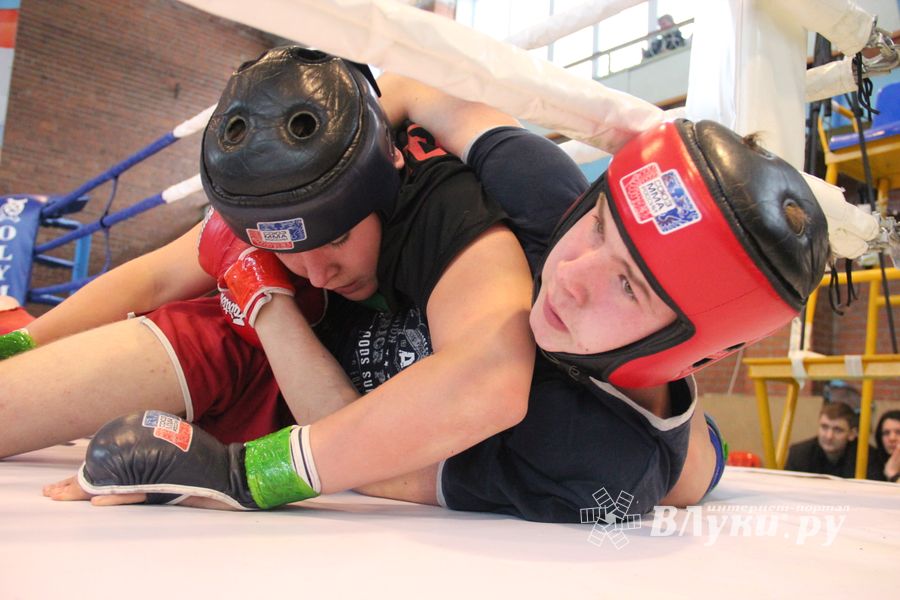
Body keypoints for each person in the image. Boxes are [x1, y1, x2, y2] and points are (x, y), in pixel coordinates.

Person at [45, 66, 830, 523]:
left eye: (628, 282)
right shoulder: (547, 197)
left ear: (696, 340)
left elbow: (364, 453)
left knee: (688, 474)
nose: (571, 273)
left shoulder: (595, 461)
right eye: (601, 227)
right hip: (310, 314)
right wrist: (334, 167)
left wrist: (239, 473)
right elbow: (416, 91)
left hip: (301, 369)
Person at [4, 47, 536, 508]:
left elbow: (472, 398)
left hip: (324, 420)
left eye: (336, 239)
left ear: (384, 179)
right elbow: (156, 278)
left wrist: (264, 301)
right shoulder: (271, 203)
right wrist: (21, 342)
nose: (319, 270)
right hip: (256, 355)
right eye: (289, 249)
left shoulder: (450, 220)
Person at [784, 401, 882, 479]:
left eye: (838, 430)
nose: (829, 436)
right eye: (824, 427)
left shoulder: (867, 457)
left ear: (852, 434)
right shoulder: (799, 454)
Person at [873, 410, 900, 483]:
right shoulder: (873, 462)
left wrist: (893, 474)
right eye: (886, 433)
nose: (892, 438)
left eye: (898, 432)